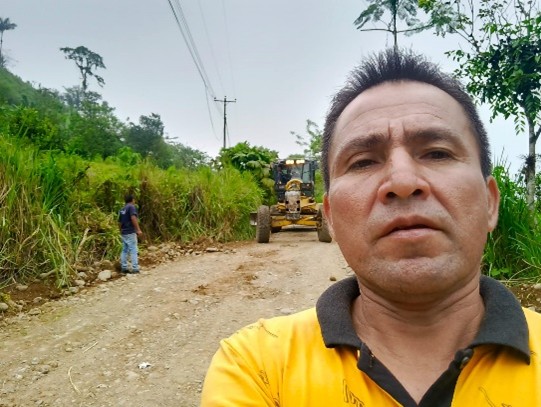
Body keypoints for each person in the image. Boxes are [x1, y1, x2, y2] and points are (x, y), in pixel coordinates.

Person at [201, 49, 541, 406]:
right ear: (330, 217)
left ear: (490, 203)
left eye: (437, 153)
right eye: (363, 162)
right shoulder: (257, 367)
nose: (403, 181)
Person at [118, 194, 143, 274]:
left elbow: (119, 222)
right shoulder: (131, 207)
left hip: (124, 232)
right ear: (132, 200)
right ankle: (135, 268)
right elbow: (133, 218)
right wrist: (138, 229)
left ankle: (124, 267)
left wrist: (121, 231)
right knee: (133, 250)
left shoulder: (122, 209)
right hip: (130, 231)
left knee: (124, 250)